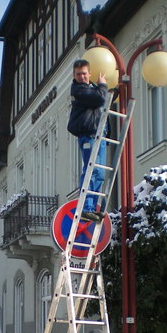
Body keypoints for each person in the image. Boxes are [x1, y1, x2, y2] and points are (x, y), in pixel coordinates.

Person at [67, 58, 108, 223]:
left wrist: (105, 90)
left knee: (100, 173)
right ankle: (86, 207)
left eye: (84, 73)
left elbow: (100, 100)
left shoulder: (91, 89)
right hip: (88, 135)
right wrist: (103, 86)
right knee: (91, 171)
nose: (82, 77)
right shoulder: (79, 90)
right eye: (78, 74)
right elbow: (99, 99)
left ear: (89, 73)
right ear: (74, 75)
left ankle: (92, 207)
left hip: (99, 134)